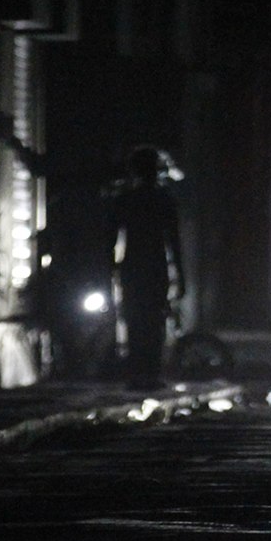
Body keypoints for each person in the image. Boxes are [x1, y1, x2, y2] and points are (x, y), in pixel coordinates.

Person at [106, 144, 186, 389]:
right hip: (155, 265)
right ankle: (150, 372)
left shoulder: (125, 199)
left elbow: (110, 238)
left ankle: (137, 372)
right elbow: (174, 241)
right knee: (153, 320)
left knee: (135, 319)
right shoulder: (164, 199)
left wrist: (109, 269)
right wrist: (181, 276)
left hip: (133, 265)